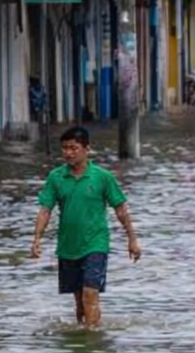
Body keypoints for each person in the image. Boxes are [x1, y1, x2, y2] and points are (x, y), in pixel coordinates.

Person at [30, 125, 142, 329]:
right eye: (65, 148)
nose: (68, 153)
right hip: (68, 246)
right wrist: (37, 238)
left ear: (86, 149)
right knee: (80, 303)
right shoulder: (56, 177)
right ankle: (85, 341)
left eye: (73, 148)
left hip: (96, 244)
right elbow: (45, 209)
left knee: (90, 294)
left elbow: (120, 209)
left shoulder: (102, 177)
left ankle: (93, 342)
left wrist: (132, 239)